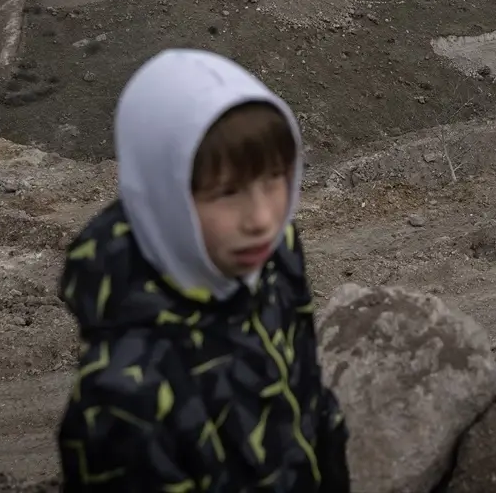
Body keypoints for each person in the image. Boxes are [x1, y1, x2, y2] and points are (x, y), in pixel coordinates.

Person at [57, 48, 350, 492]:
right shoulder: (125, 401)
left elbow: (308, 397)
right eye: (227, 192)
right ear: (166, 197)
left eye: (274, 178)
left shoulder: (274, 259)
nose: (262, 219)